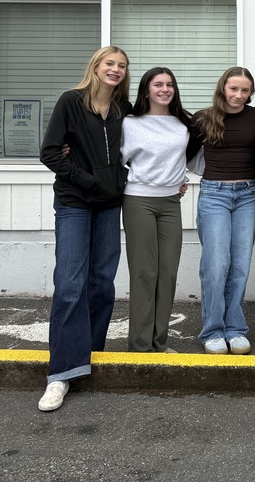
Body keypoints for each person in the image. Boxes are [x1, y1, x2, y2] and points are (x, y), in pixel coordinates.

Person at [38, 46, 131, 412]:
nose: (116, 70)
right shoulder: (71, 102)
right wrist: (88, 180)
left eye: (122, 66)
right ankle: (60, 373)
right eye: (110, 63)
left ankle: (89, 357)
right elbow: (49, 152)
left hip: (109, 205)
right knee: (70, 285)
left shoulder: (124, 110)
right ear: (95, 66)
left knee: (101, 283)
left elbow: (140, 149)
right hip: (75, 204)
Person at [120, 66, 201, 354]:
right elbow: (114, 159)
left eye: (169, 84)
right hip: (138, 201)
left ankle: (159, 342)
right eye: (158, 84)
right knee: (145, 273)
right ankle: (140, 347)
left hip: (171, 204)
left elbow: (194, 161)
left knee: (167, 273)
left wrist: (180, 180)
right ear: (146, 89)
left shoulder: (184, 124)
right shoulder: (130, 123)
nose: (165, 89)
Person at [193, 67, 255, 355]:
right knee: (216, 264)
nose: (238, 95)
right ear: (223, 87)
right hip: (214, 195)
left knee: (240, 266)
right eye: (233, 88)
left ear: (251, 93)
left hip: (247, 195)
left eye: (244, 90)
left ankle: (235, 328)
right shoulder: (203, 118)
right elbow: (180, 152)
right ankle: (212, 329)